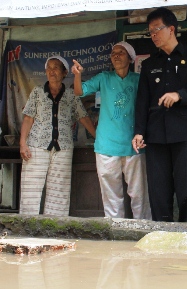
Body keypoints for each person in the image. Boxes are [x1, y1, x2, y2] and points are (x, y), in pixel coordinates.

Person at [132, 7, 187, 222]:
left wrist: (180, 95)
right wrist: (139, 132)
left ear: (172, 29)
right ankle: (162, 233)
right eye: (150, 32)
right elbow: (142, 101)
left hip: (186, 134)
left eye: (157, 29)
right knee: (159, 190)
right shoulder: (149, 65)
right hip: (156, 134)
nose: (153, 35)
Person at [72, 42, 151, 219]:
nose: (116, 55)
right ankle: (115, 231)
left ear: (130, 59)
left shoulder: (138, 80)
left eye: (121, 53)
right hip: (106, 145)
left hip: (134, 145)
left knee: (139, 194)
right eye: (113, 53)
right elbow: (79, 91)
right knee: (112, 197)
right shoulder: (104, 78)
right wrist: (78, 75)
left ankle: (144, 229)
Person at [19, 55, 96, 216]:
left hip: (63, 147)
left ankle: (55, 229)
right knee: (31, 188)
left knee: (59, 190)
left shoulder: (71, 95)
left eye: (56, 68)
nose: (51, 71)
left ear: (64, 73)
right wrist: (22, 143)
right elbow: (28, 118)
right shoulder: (38, 92)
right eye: (49, 68)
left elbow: (83, 117)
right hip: (36, 146)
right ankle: (27, 227)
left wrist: (98, 137)